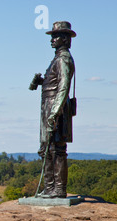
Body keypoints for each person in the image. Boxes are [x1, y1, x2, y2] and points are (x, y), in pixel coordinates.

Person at [29, 21, 76, 198]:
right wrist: (41, 82)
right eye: (52, 36)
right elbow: (56, 84)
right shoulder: (56, 59)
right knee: (46, 148)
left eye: (55, 37)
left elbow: (64, 87)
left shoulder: (64, 59)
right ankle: (49, 188)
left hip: (56, 107)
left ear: (64, 39)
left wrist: (55, 112)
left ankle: (58, 189)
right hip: (48, 106)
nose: (52, 40)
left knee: (57, 148)